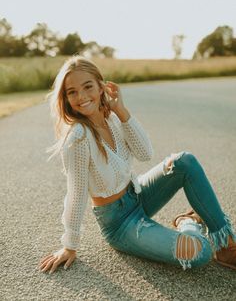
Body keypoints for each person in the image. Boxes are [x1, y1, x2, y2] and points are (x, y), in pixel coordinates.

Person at [38, 55, 236, 274]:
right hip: (120, 224)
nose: (81, 96)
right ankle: (188, 222)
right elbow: (75, 193)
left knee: (184, 161)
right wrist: (69, 246)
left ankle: (226, 243)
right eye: (72, 92)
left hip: (138, 194)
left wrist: (121, 111)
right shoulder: (78, 138)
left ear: (101, 86)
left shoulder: (112, 117)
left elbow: (145, 153)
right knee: (200, 252)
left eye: (87, 87)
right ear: (65, 98)